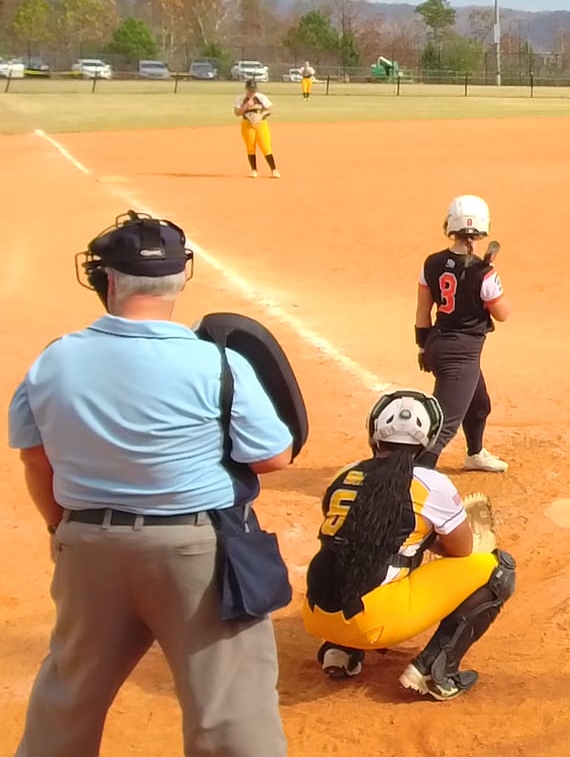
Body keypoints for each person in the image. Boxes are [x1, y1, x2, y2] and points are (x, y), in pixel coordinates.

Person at [9, 211, 294, 756]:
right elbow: (273, 456)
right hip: (197, 555)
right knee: (230, 716)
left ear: (107, 281)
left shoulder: (53, 360)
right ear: (181, 279)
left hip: (87, 546)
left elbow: (35, 458)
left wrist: (59, 528)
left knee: (67, 702)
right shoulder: (218, 363)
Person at [302, 390, 515, 702]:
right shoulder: (431, 484)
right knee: (499, 570)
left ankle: (340, 650)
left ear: (375, 433)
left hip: (315, 615)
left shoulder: (345, 474)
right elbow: (462, 550)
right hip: (371, 622)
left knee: (366, 550)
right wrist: (430, 538)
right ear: (427, 440)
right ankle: (433, 670)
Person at [415, 195, 511, 472]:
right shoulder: (484, 273)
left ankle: (475, 454)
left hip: (436, 344)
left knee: (479, 405)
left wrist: (422, 347)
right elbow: (502, 314)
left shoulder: (431, 263)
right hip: (460, 354)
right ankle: (415, 477)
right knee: (444, 426)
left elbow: (422, 312)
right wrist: (491, 278)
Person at [234, 78, 278, 178]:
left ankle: (274, 170)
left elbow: (270, 110)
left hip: (260, 124)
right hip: (247, 124)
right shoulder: (240, 98)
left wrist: (261, 116)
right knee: (250, 147)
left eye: (253, 90)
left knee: (265, 147)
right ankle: (254, 170)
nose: (252, 92)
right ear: (246, 89)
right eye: (250, 90)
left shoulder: (261, 97)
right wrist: (246, 106)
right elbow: (237, 113)